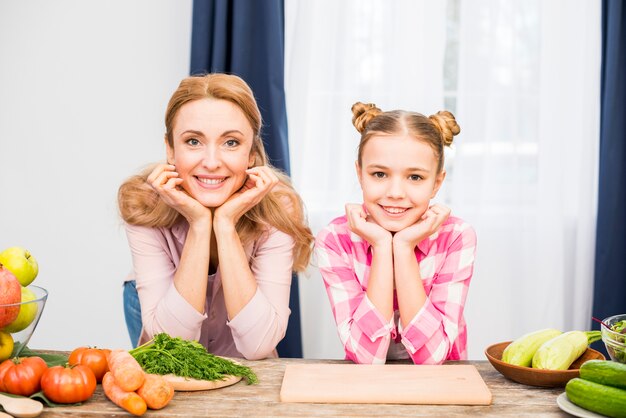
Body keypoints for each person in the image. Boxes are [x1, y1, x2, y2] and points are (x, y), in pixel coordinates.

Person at [118, 73, 313, 360]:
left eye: (231, 143)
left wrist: (224, 225)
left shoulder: (279, 207)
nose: (211, 162)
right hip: (155, 309)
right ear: (170, 149)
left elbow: (258, 346)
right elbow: (173, 349)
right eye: (193, 141)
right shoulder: (143, 202)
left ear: (251, 154)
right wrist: (199, 224)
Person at [315, 102, 476, 365]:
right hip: (367, 388)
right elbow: (368, 358)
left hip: (443, 389)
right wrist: (381, 246)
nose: (395, 193)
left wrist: (402, 248)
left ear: (436, 183)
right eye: (379, 174)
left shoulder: (456, 237)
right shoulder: (335, 240)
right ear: (360, 174)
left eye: (415, 177)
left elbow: (432, 357)